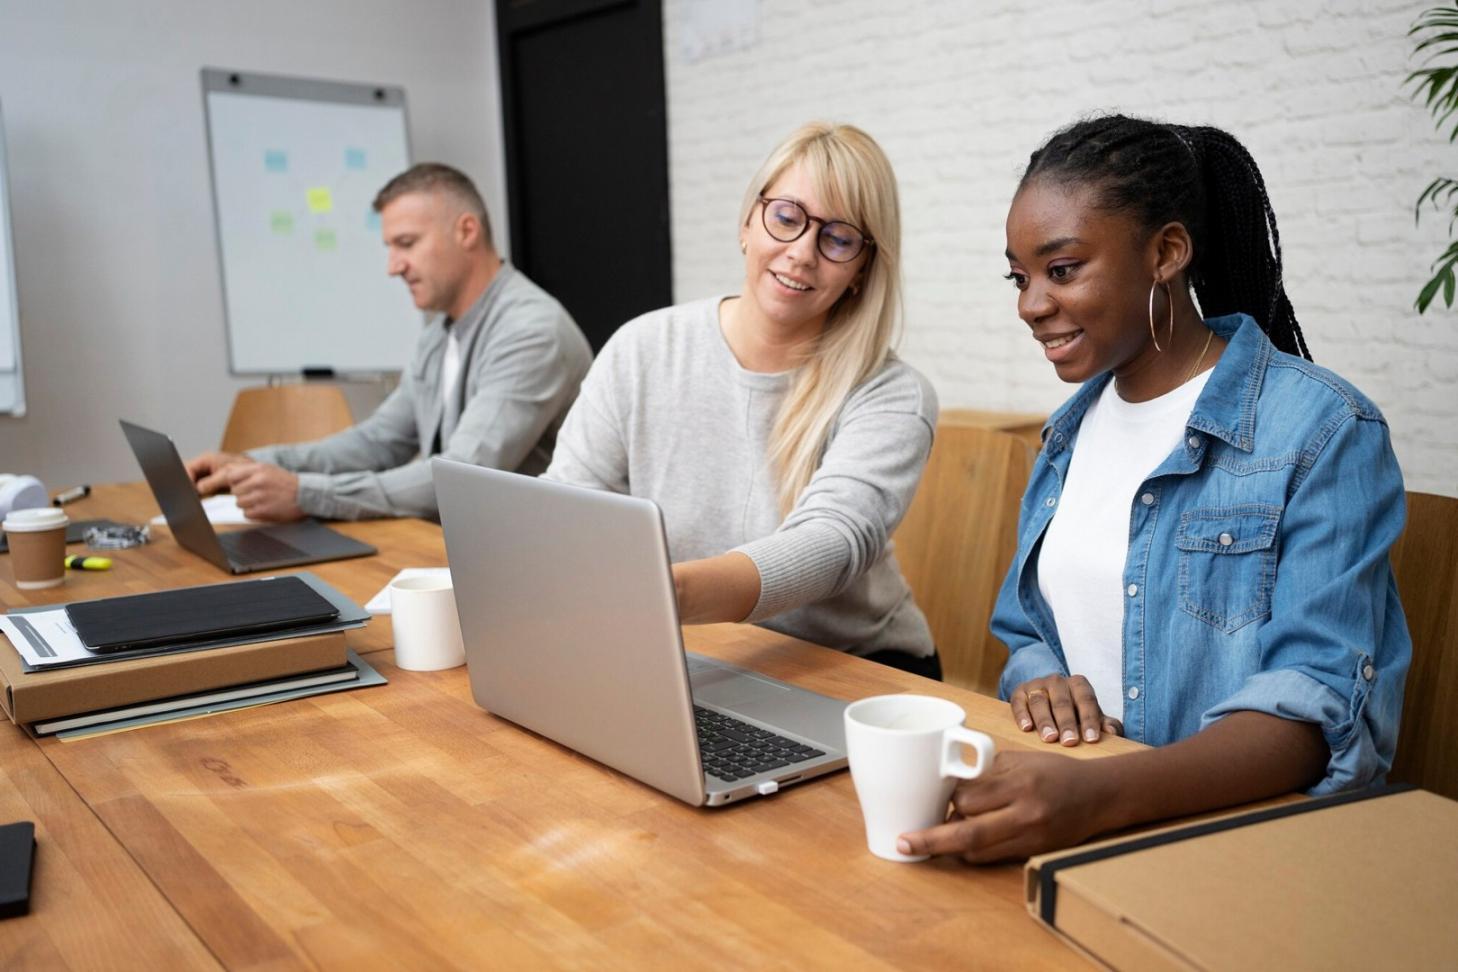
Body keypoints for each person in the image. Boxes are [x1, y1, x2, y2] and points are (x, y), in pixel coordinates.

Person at [901, 114, 1411, 862]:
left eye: (1062, 269)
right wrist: (1042, 678)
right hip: (1081, 819)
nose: (1029, 304)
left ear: (1167, 252)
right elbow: (1028, 627)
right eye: (1020, 277)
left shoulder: (1324, 430)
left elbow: (1316, 712)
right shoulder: (1067, 436)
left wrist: (1099, 797)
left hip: (1241, 849)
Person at [543, 122, 941, 675]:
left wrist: (663, 591)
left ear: (860, 270)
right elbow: (565, 505)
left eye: (839, 238)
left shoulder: (893, 394)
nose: (802, 252)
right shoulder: (643, 347)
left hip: (857, 667)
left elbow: (829, 545)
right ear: (747, 224)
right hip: (695, 650)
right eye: (786, 217)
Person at [186, 163, 592, 521]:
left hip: (527, 562)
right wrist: (253, 464)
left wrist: (306, 495)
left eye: (407, 243)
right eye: (390, 247)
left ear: (467, 231)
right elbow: (377, 442)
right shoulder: (440, 333)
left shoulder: (531, 331)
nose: (393, 266)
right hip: (469, 547)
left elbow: (460, 478)